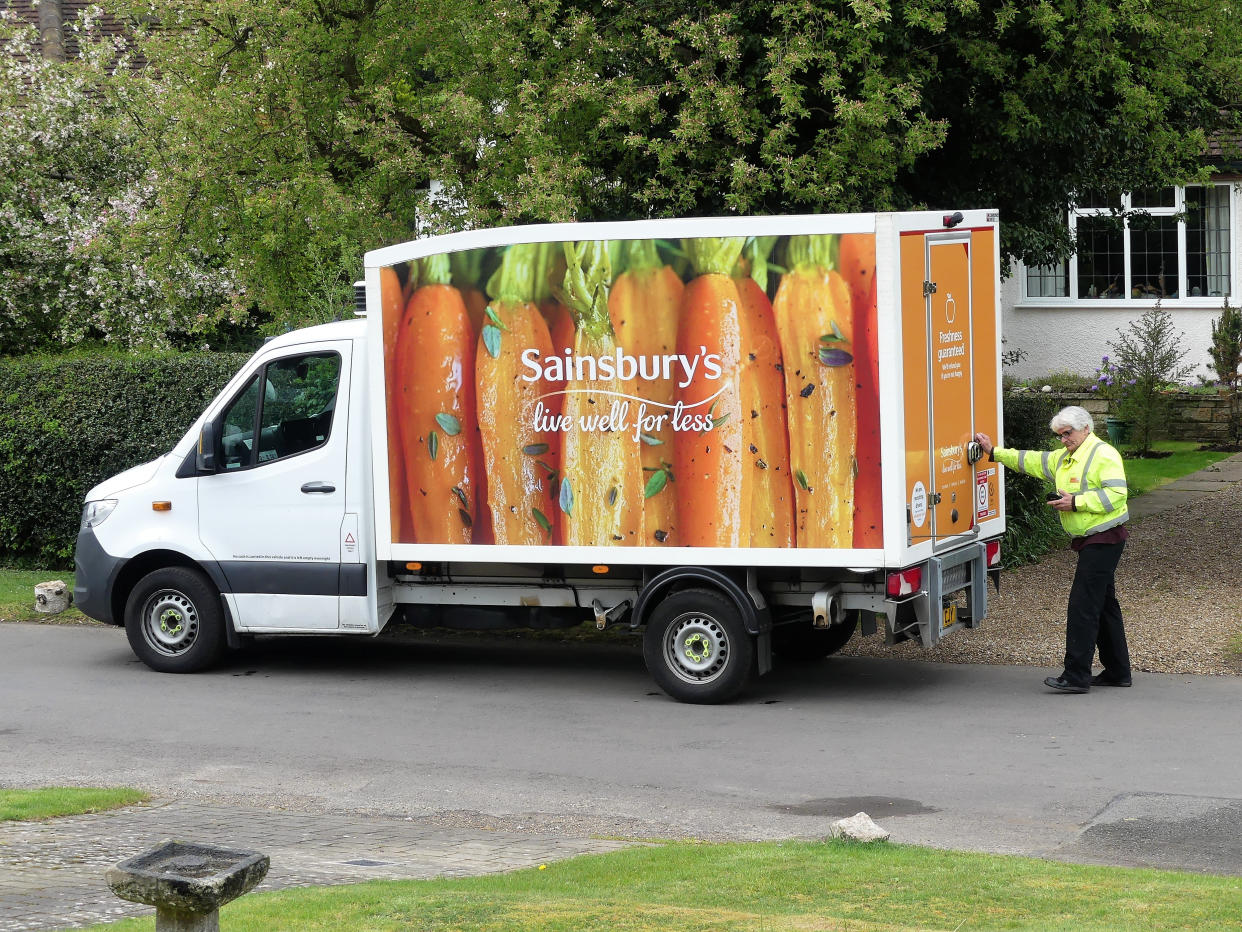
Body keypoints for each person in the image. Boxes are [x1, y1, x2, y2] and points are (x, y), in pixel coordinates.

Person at [974, 406, 1132, 694]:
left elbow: (1118, 494)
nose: (1063, 439)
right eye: (1060, 435)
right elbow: (1030, 460)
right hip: (1092, 539)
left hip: (1104, 538)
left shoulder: (1104, 454)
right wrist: (994, 452)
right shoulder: (1065, 458)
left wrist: (1077, 502)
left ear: (1086, 428)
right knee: (1104, 604)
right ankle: (1118, 671)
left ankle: (1076, 676)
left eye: (1067, 433)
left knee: (1083, 606)